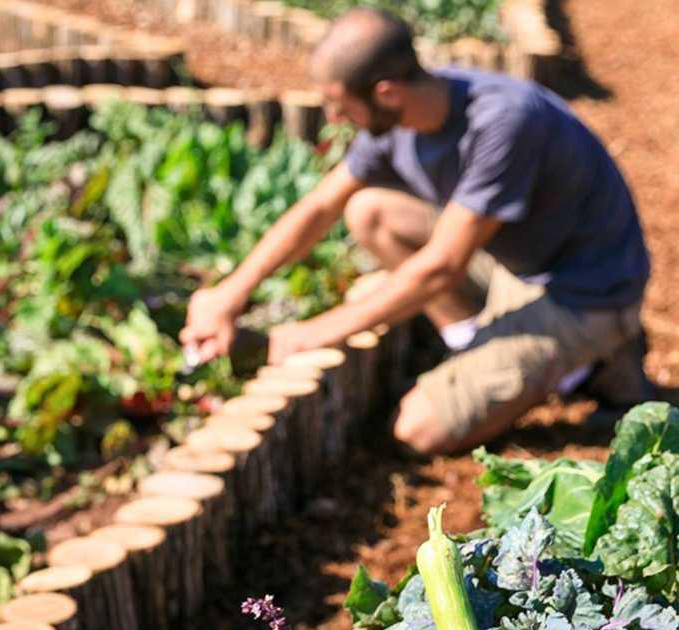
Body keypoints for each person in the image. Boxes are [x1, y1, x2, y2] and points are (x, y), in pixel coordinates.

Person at [180, 7, 652, 453]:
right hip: (522, 261)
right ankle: (474, 346)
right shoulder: (406, 119)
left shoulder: (503, 121)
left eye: (337, 104)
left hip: (585, 292)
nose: (333, 119)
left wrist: (319, 331)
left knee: (416, 430)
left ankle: (593, 361)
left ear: (385, 92)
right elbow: (321, 206)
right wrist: (230, 294)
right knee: (370, 212)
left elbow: (441, 267)